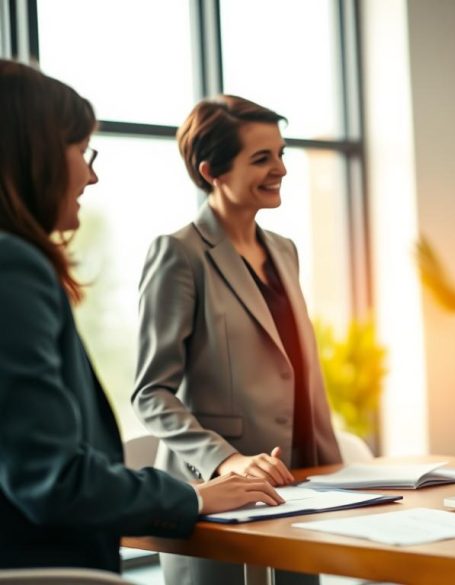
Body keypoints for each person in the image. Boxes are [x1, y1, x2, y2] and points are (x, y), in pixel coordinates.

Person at [0, 60, 283, 573]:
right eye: (80, 151)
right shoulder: (11, 266)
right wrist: (195, 496)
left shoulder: (284, 251)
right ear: (34, 155)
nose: (91, 173)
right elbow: (52, 477)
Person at [132, 96, 342, 584]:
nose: (282, 169)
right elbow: (150, 393)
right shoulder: (179, 254)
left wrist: (335, 470)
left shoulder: (285, 251)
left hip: (300, 490)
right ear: (211, 171)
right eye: (262, 158)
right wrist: (226, 460)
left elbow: (294, 370)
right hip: (223, 501)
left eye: (282, 153)